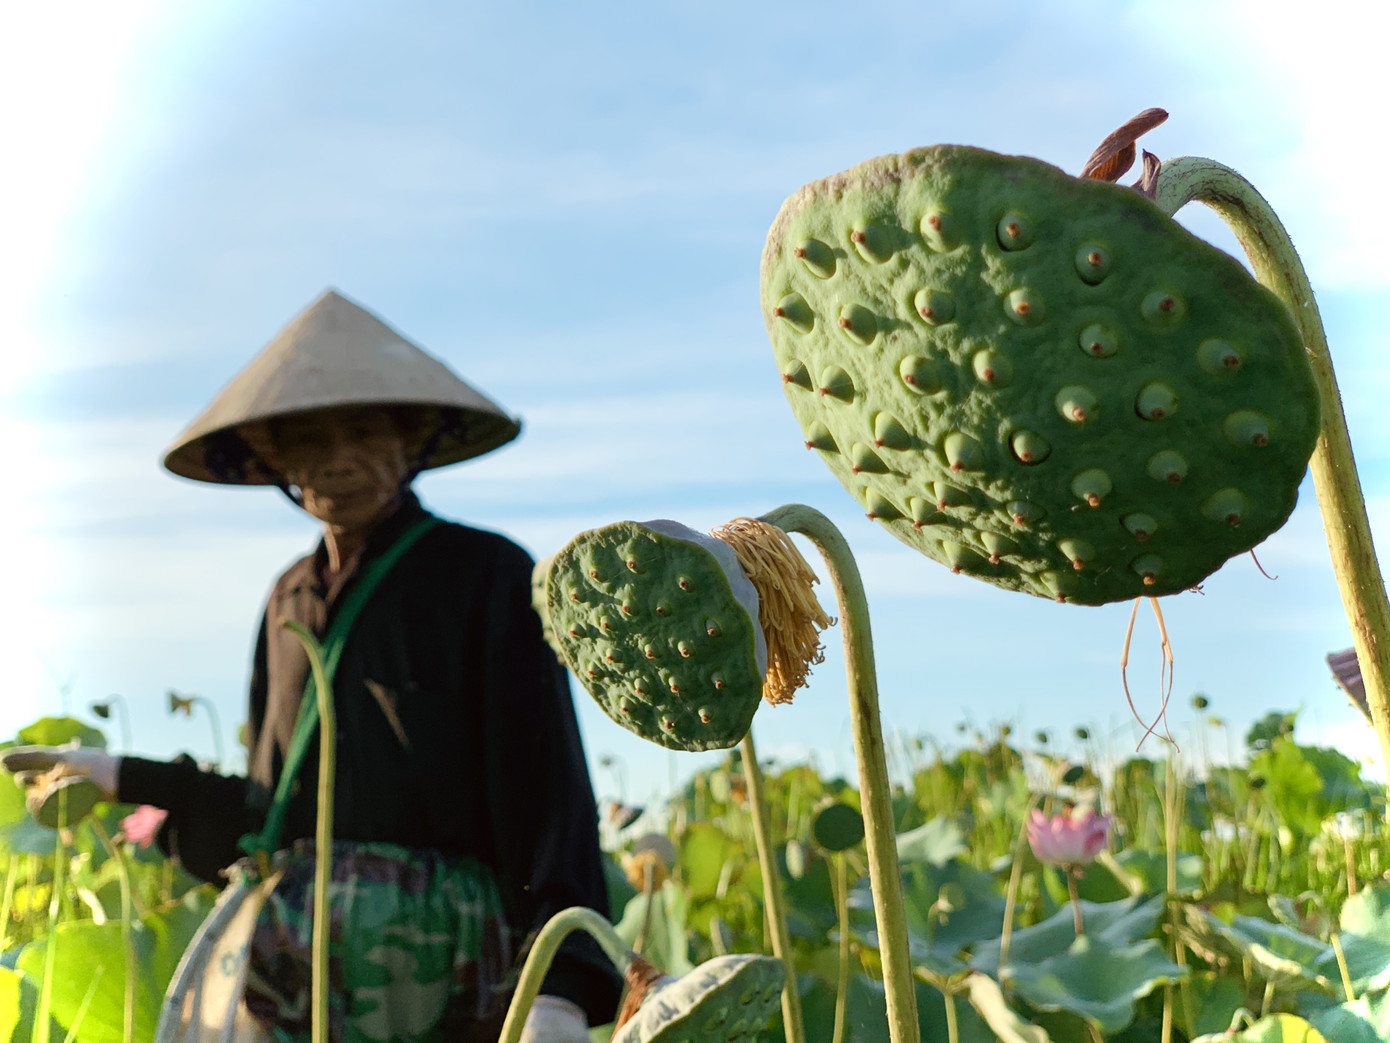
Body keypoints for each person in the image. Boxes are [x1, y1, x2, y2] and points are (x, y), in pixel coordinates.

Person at [4, 290, 618, 1043]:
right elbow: (270, 816)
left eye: (361, 431)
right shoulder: (285, 600)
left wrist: (561, 990)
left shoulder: (485, 575)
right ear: (274, 457)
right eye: (307, 440)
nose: (334, 462)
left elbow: (549, 798)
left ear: (411, 436)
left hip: (446, 964)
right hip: (292, 966)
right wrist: (121, 775)